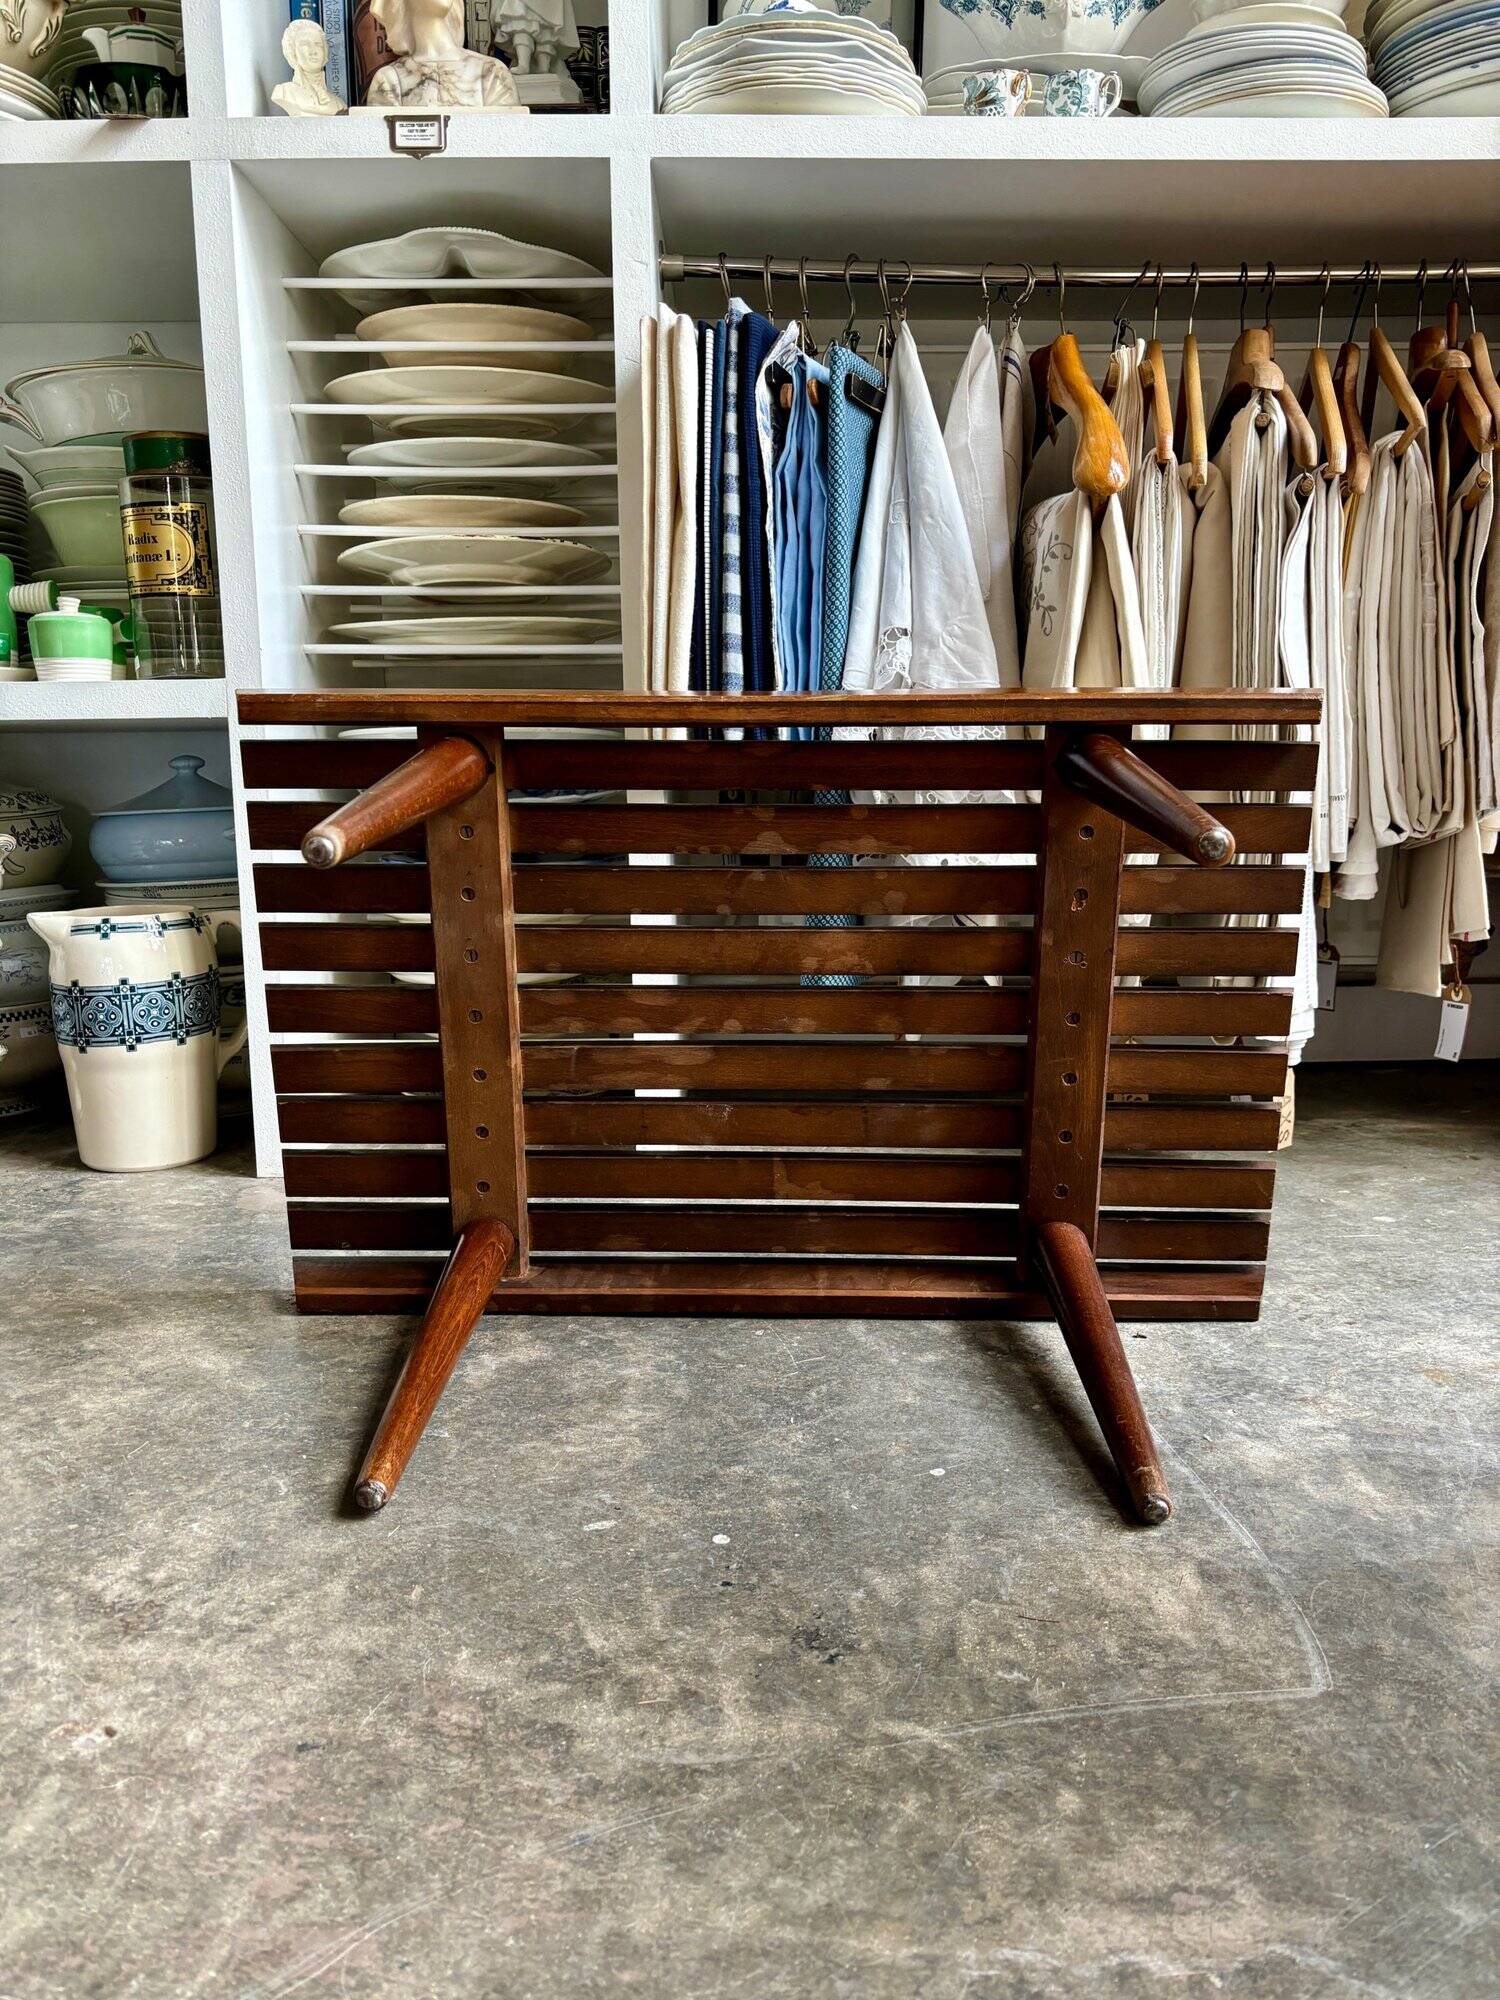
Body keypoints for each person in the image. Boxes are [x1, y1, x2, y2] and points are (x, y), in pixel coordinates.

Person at [271, 19, 346, 117]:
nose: (313, 51)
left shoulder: (339, 104)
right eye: (305, 44)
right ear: (293, 52)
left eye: (318, 44)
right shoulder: (284, 92)